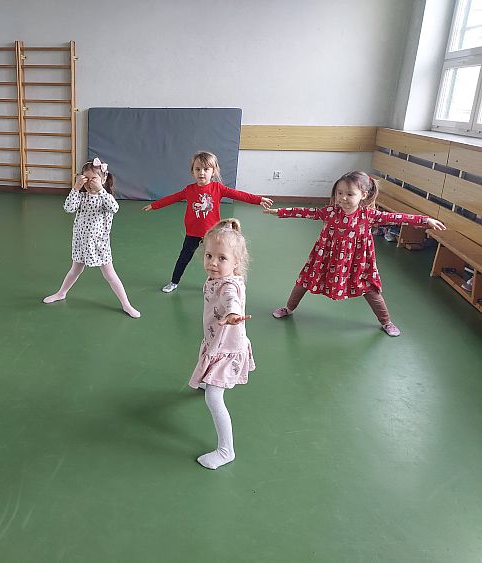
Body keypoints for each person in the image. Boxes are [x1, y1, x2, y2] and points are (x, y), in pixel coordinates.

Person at [265, 171, 446, 336]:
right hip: (325, 257)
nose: (343, 198)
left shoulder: (368, 215)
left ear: (363, 195)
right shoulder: (329, 212)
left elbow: (397, 217)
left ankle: (386, 322)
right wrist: (281, 212)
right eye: (339, 193)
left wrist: (425, 220)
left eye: (350, 194)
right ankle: (289, 308)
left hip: (357, 261)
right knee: (304, 280)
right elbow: (305, 212)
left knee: (370, 289)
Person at [142, 151, 273, 292]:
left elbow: (239, 195)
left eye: (206, 169)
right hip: (193, 233)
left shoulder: (218, 188)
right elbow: (172, 198)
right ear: (192, 171)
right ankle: (174, 282)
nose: (202, 173)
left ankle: (219, 282)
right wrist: (154, 205)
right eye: (197, 169)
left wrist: (258, 199)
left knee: (216, 259)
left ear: (213, 171)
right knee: (184, 258)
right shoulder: (189, 190)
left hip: (212, 234)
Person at [188, 218, 254, 470]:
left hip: (227, 349)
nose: (212, 263)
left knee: (214, 398)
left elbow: (230, 299)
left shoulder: (228, 284)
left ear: (236, 263)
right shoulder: (218, 277)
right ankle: (206, 380)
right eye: (209, 256)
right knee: (208, 368)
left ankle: (226, 451)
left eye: (222, 258)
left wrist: (233, 314)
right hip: (216, 340)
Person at [43, 157, 140, 318]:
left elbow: (114, 208)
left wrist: (101, 190)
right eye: (85, 179)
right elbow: (68, 208)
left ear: (103, 179)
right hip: (81, 243)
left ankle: (126, 304)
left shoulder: (105, 198)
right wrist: (75, 188)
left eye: (93, 178)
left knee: (110, 275)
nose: (89, 183)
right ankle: (61, 293)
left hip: (99, 245)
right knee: (75, 270)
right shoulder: (81, 197)